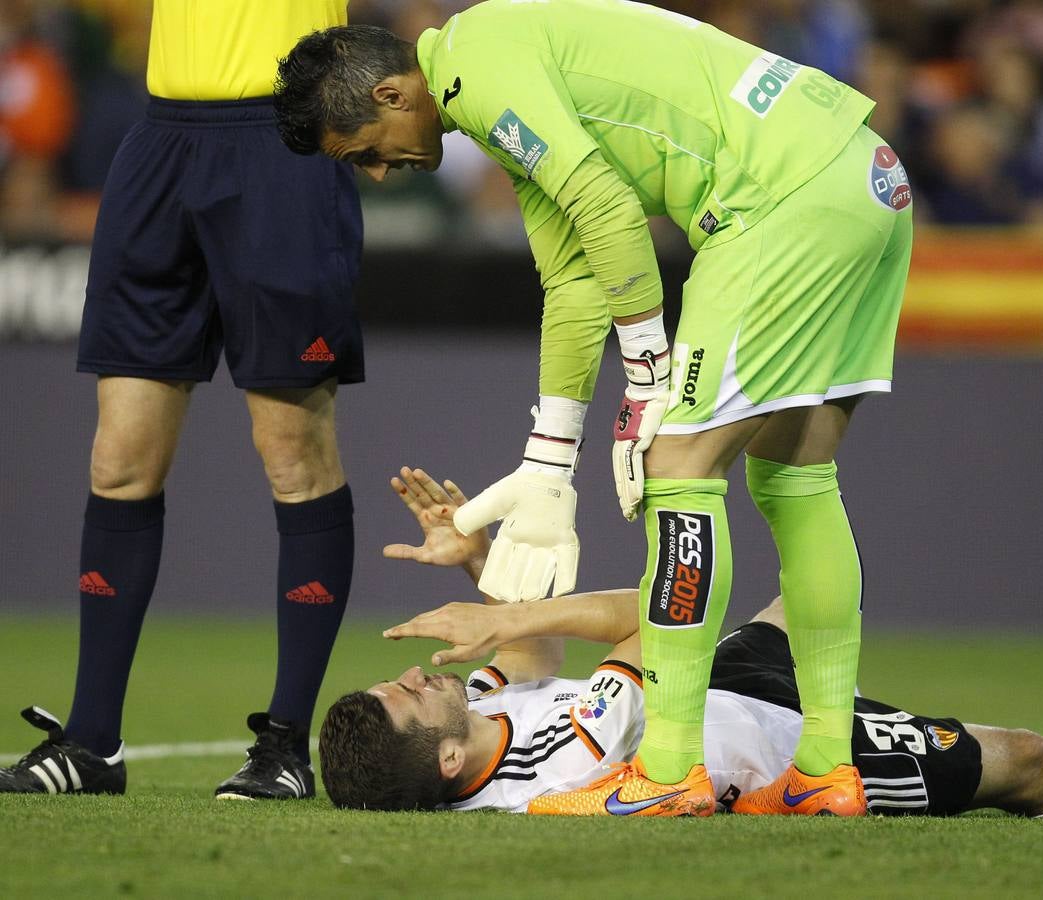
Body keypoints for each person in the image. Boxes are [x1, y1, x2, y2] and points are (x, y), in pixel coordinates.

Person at [274, 0, 914, 816]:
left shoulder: (475, 69)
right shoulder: (497, 74)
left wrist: (647, 374)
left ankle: (668, 770)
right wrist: (550, 455)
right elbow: (574, 283)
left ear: (396, 94)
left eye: (365, 151)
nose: (373, 172)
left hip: (773, 201)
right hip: (861, 177)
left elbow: (609, 210)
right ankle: (824, 768)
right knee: (794, 476)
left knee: (675, 467)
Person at [318, 469, 1043, 815]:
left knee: (807, 595)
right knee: (1024, 761)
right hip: (793, 748)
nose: (417, 674)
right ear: (449, 761)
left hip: (720, 686)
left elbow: (525, 659)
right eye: (414, 695)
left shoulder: (477, 730)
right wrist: (510, 612)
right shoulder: (566, 764)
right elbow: (656, 612)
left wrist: (478, 568)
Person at [0, 0, 365, 801]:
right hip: (161, 137)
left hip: (285, 139)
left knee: (293, 452)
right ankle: (91, 744)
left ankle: (285, 748)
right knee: (119, 458)